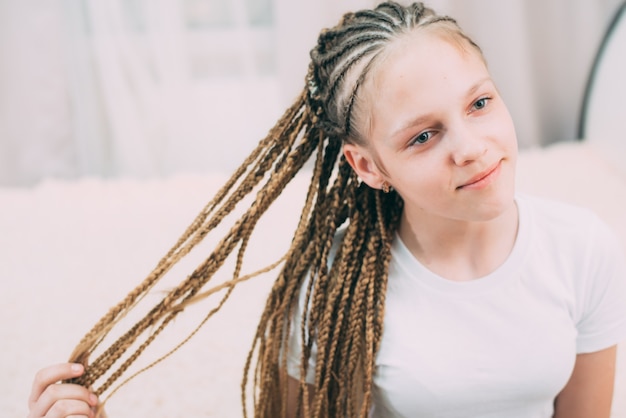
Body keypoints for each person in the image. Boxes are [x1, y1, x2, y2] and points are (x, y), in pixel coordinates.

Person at [27, 2, 626, 417]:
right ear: (368, 167)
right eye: (423, 136)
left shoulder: (583, 249)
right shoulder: (334, 287)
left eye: (479, 103)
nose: (471, 149)